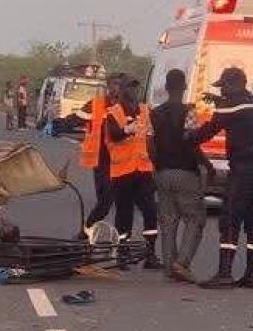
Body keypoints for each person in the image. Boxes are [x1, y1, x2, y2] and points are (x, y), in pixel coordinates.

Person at [187, 67, 253, 289]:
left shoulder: (230, 106)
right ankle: (252, 275)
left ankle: (224, 273)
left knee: (230, 218)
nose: (222, 90)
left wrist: (186, 136)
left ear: (234, 84)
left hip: (244, 167)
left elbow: (207, 131)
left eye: (224, 86)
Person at [150, 69, 216, 282]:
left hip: (162, 172)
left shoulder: (155, 113)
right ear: (185, 86)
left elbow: (149, 143)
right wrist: (207, 164)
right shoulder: (188, 112)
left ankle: (169, 266)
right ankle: (182, 263)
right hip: (185, 172)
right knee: (195, 218)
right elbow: (192, 141)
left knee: (168, 220)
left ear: (167, 88)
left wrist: (156, 164)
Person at [105, 76, 161, 269]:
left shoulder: (145, 110)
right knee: (124, 213)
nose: (134, 92)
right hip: (122, 171)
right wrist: (128, 129)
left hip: (143, 170)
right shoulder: (113, 112)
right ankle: (123, 253)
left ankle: (150, 254)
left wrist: (156, 163)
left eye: (136, 88)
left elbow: (151, 139)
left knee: (150, 211)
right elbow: (114, 134)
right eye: (130, 87)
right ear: (121, 91)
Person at [79, 74, 124, 233]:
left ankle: (86, 233)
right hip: (100, 161)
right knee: (103, 203)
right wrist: (58, 125)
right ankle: (87, 231)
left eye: (118, 84)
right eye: (113, 84)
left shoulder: (127, 107)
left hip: (120, 163)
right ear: (108, 86)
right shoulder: (96, 104)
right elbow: (77, 118)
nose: (115, 88)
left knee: (111, 203)